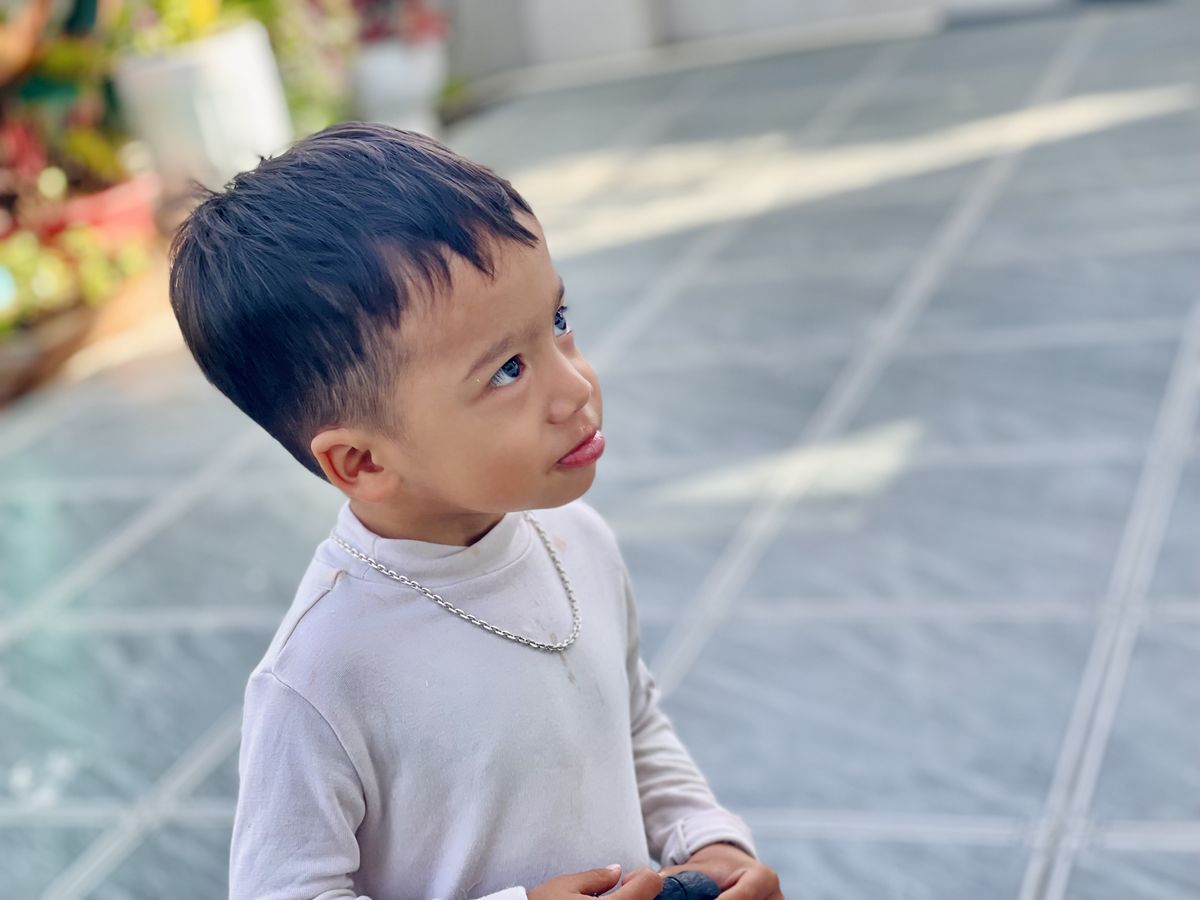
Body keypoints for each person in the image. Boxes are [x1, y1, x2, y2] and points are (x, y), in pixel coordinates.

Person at [168, 122, 783, 900]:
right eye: (508, 370)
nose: (575, 388)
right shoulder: (322, 672)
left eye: (559, 322)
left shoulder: (577, 540)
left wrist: (708, 841)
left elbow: (633, 726)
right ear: (363, 462)